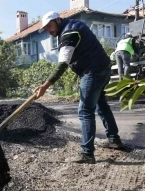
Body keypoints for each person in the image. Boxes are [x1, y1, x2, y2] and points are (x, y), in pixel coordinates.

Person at [34, 11, 124, 164]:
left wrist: (45, 86)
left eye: (50, 26)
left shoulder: (70, 32)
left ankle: (87, 154)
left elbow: (62, 64)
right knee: (101, 104)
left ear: (58, 20)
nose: (49, 30)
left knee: (84, 110)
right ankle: (114, 139)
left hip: (93, 71)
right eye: (46, 29)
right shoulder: (73, 26)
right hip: (101, 68)